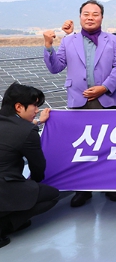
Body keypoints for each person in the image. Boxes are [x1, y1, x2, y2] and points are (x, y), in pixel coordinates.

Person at [43, 0, 116, 207]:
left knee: (109, 146)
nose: (90, 17)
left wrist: (104, 87)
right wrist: (48, 46)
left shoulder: (114, 40)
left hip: (106, 100)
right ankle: (83, 189)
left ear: (102, 17)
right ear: (80, 17)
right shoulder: (68, 41)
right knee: (81, 147)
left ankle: (110, 186)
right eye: (86, 14)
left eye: (95, 14)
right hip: (78, 101)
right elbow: (55, 68)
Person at [0, 83, 59, 248]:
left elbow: (13, 132)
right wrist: (33, 183)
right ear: (19, 107)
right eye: (35, 105)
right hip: (3, 189)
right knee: (51, 195)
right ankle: (5, 225)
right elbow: (38, 167)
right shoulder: (27, 132)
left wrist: (37, 122)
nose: (37, 110)